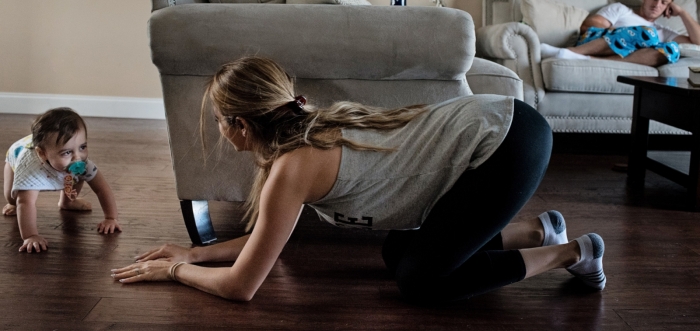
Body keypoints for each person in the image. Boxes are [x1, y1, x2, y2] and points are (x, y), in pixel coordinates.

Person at [111, 57, 606, 304]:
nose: (221, 133)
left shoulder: (292, 166)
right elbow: (268, 239)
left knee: (421, 280)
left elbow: (243, 286)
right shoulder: (296, 137)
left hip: (506, 143)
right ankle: (540, 230)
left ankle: (573, 253)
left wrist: (174, 272)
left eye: (220, 121)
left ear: (242, 125)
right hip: (498, 127)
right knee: (397, 254)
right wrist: (194, 252)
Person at [3, 107, 122, 253]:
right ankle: (10, 203)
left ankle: (67, 201)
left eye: (82, 147)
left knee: (76, 175)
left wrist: (111, 218)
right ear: (42, 153)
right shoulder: (30, 170)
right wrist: (31, 235)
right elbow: (26, 202)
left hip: (53, 164)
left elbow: (102, 189)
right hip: (17, 155)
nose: (78, 157)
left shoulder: (81, 163)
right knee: (14, 198)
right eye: (67, 152)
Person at [541, 0, 700, 66]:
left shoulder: (663, 31)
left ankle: (587, 61)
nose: (657, 4)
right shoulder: (621, 10)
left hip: (626, 57)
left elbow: (697, 43)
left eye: (664, 2)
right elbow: (588, 27)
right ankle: (572, 52)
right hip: (596, 43)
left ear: (669, 6)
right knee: (647, 33)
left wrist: (683, 13)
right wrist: (626, 35)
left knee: (672, 50)